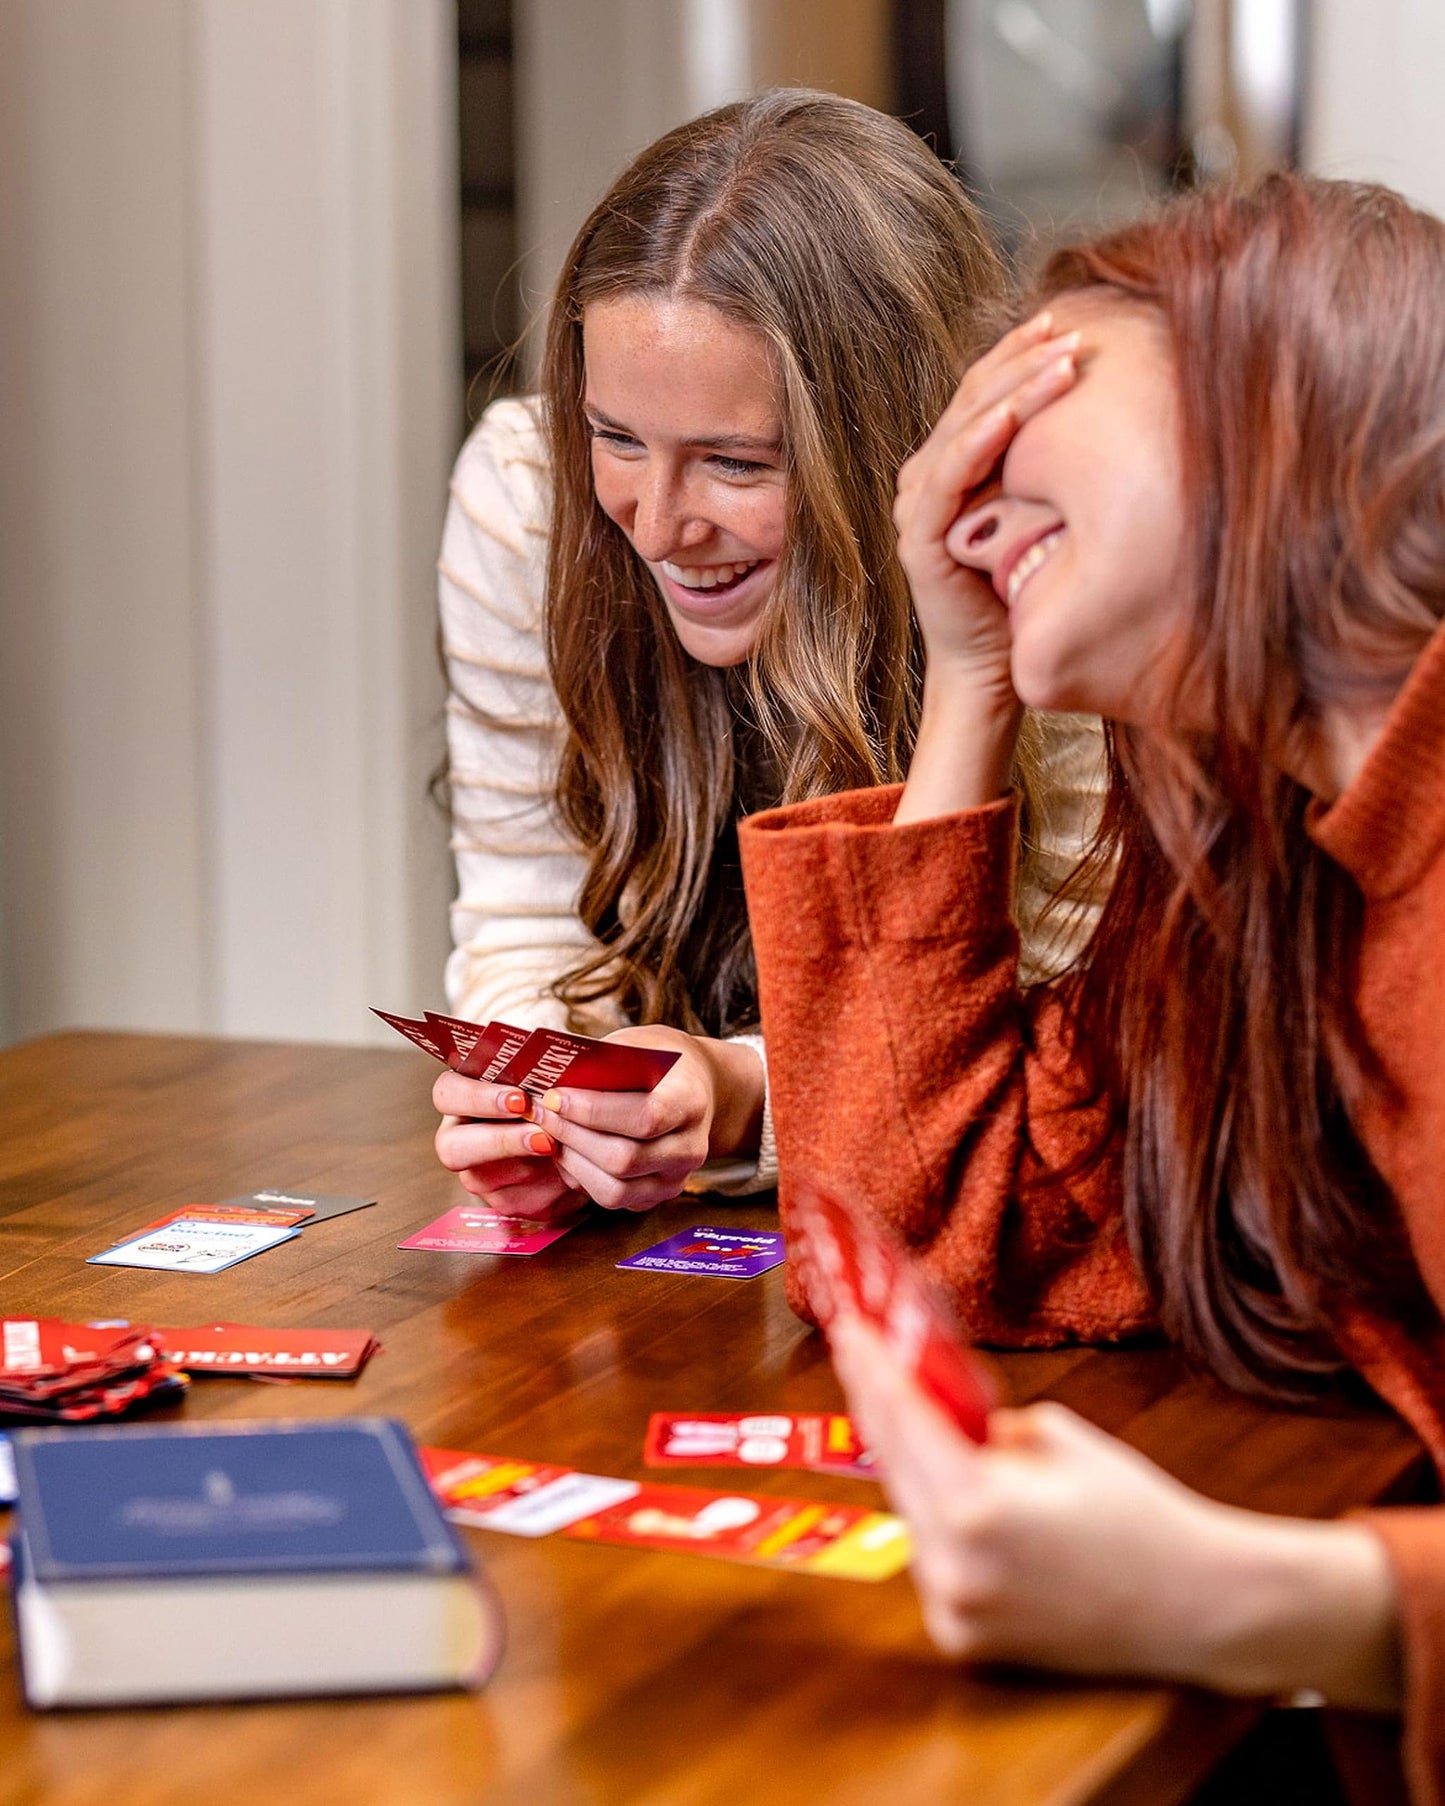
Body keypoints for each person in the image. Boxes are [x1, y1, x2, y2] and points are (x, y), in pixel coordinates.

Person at [739, 174, 1445, 1799]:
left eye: (1010, 420)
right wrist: (967, 678)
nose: (956, 517)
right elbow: (927, 1238)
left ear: (1276, 381)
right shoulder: (1291, 897)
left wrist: (1250, 1597)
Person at [432, 90, 1106, 1220]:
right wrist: (544, 1099)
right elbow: (524, 920)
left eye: (736, 463)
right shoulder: (524, 498)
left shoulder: (1041, 550)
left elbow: (1062, 1018)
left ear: (892, 444)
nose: (656, 527)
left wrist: (746, 1091)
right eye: (614, 437)